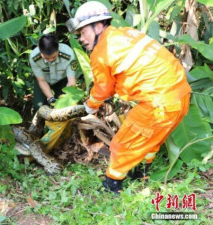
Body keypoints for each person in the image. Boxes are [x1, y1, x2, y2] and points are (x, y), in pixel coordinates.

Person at [66, 1, 191, 194]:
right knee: (150, 140)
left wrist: (91, 105)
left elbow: (103, 87)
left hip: (158, 103)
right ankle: (141, 174)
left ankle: (111, 185)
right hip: (180, 96)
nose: (81, 38)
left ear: (98, 26)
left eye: (83, 32)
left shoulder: (102, 51)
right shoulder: (125, 33)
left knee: (122, 144)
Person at [29, 34, 78, 113]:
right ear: (40, 51)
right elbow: (41, 81)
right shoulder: (34, 57)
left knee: (64, 107)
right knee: (38, 107)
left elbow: (71, 81)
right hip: (44, 81)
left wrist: (66, 97)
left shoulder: (68, 54)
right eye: (47, 58)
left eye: (54, 57)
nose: (51, 60)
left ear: (58, 48)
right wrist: (50, 98)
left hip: (62, 80)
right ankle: (39, 124)